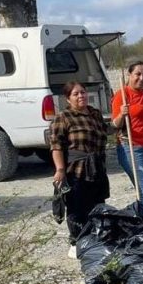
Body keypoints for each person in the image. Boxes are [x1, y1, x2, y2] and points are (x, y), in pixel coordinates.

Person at [50, 81, 110, 258]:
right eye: (76, 94)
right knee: (77, 206)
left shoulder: (95, 114)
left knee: (97, 204)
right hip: (75, 169)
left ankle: (95, 238)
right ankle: (76, 242)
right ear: (68, 98)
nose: (81, 96)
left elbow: (106, 132)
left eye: (82, 92)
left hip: (97, 167)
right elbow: (56, 145)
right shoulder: (64, 117)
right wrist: (60, 169)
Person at [111, 61, 143, 208]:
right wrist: (122, 114)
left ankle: (141, 221)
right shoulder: (122, 95)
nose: (141, 78)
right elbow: (115, 125)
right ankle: (135, 221)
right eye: (138, 74)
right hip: (131, 146)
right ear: (130, 75)